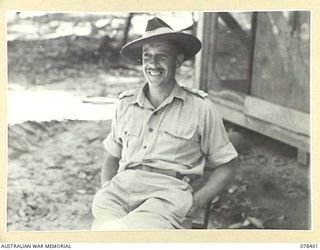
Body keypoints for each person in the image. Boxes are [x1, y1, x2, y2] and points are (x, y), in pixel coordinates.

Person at [91, 16, 238, 230]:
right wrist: (106, 187)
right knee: (107, 232)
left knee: (119, 235)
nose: (153, 64)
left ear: (177, 61)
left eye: (162, 56)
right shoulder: (125, 104)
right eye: (147, 56)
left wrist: (195, 203)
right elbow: (112, 157)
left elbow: (227, 166)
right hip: (118, 195)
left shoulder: (201, 108)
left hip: (166, 200)